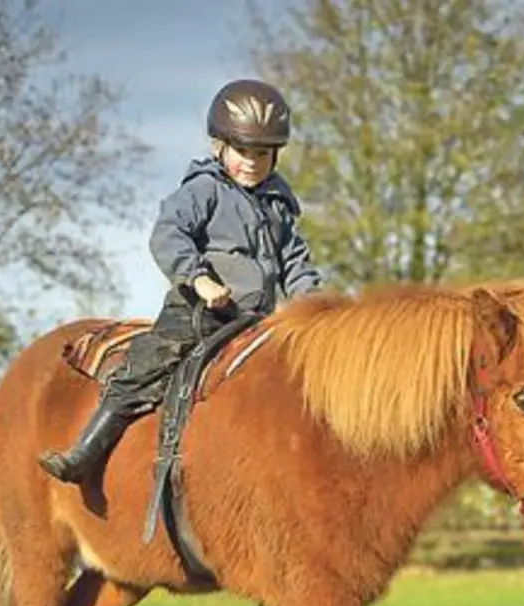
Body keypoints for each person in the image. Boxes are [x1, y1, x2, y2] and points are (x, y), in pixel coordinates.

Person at [39, 78, 325, 483]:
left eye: (262, 153)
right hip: (202, 311)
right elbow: (169, 233)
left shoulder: (277, 204)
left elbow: (294, 259)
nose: (252, 161)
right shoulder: (204, 190)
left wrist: (310, 302)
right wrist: (199, 279)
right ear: (218, 147)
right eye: (242, 151)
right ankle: (86, 452)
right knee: (149, 363)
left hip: (257, 320)